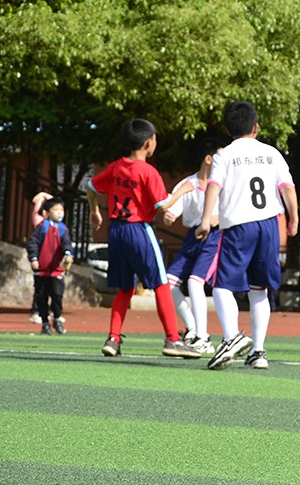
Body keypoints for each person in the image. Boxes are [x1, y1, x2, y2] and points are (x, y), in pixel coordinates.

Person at [193, 101, 299, 371]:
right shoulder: (272, 153)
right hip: (269, 224)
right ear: (256, 127)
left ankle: (231, 338)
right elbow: (287, 187)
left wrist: (205, 220)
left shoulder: (225, 154)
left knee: (222, 286)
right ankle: (258, 351)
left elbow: (214, 186)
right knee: (259, 288)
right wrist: (294, 219)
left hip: (239, 225)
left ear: (228, 129)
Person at [86, 118, 199, 360]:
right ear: (149, 143)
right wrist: (182, 190)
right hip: (138, 230)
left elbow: (91, 186)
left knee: (125, 288)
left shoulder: (116, 167)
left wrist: (94, 211)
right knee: (161, 284)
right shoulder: (148, 171)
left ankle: (113, 338)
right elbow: (164, 205)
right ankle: (173, 339)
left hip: (116, 231)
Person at [159, 136, 227, 356]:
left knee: (195, 282)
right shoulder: (187, 184)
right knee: (168, 284)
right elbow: (171, 211)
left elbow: (232, 211)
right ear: (208, 159)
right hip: (192, 237)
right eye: (220, 155)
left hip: (215, 237)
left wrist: (217, 219)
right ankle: (193, 329)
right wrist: (169, 216)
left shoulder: (225, 184)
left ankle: (203, 338)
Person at [26, 197, 76, 335]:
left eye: (61, 210)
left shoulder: (63, 229)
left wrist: (68, 254)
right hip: (41, 270)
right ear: (47, 213)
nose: (59, 212)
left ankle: (57, 318)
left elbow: (66, 244)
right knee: (41, 297)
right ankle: (45, 323)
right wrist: (34, 259)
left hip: (56, 270)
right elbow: (32, 243)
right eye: (56, 210)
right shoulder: (42, 227)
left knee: (57, 295)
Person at [28, 191, 53, 324]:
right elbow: (36, 200)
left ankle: (49, 311)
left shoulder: (56, 226)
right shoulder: (40, 223)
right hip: (41, 259)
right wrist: (43, 195)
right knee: (40, 287)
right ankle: (36, 311)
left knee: (52, 287)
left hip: (51, 260)